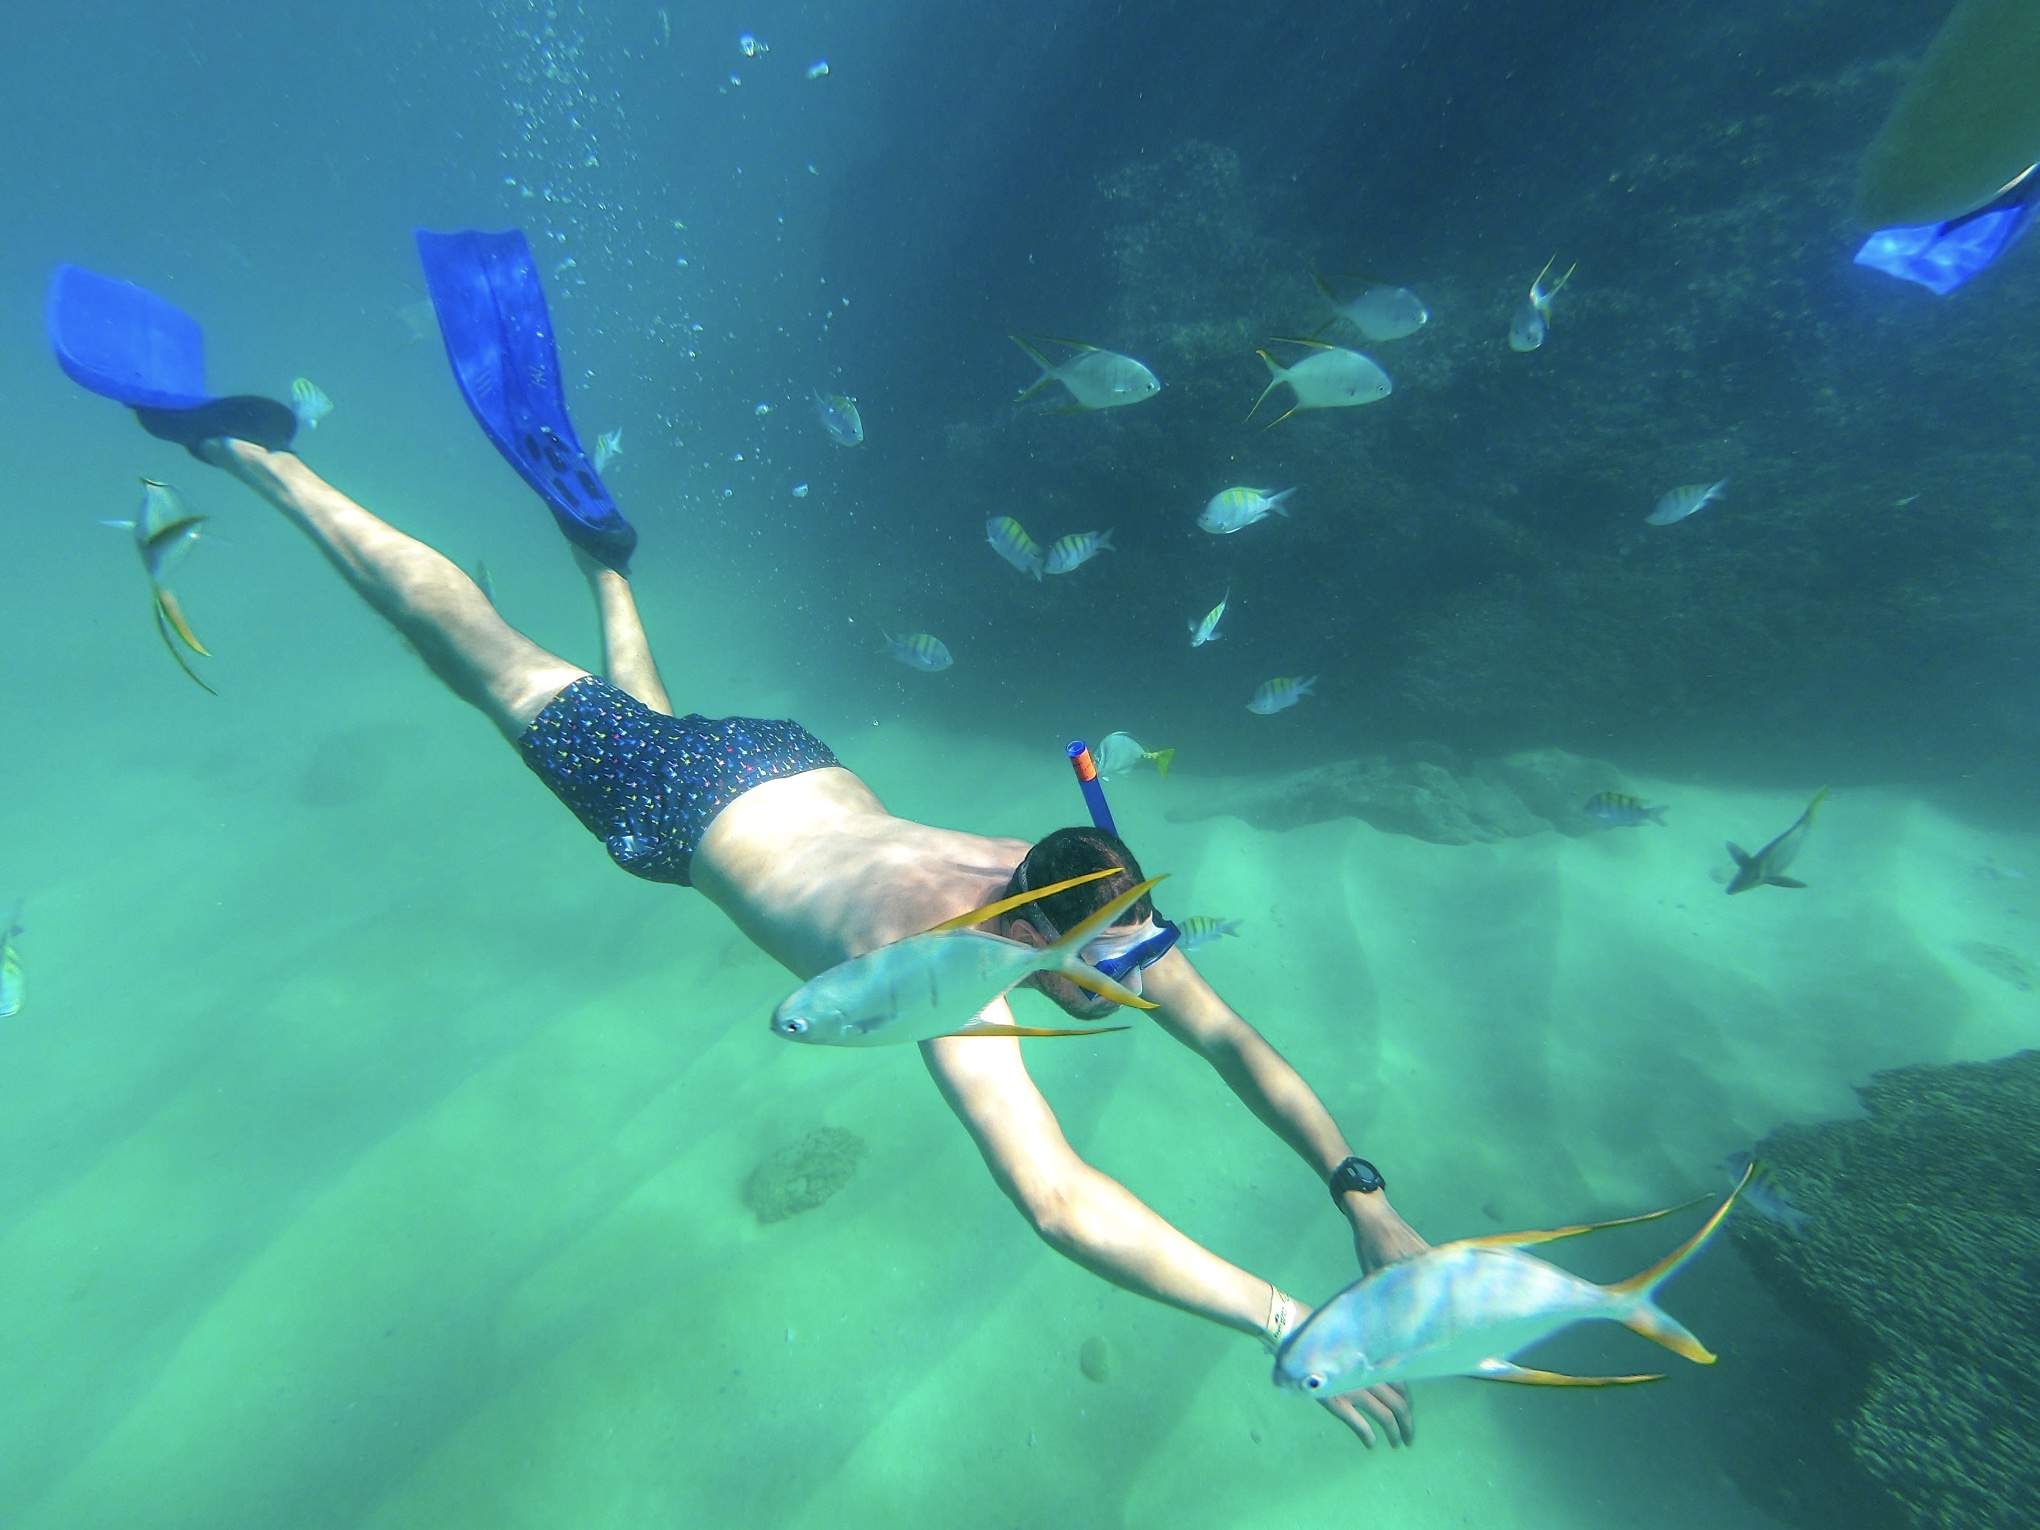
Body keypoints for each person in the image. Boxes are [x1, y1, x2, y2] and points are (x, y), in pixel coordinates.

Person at [196, 434, 1429, 1447]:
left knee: (643, 725)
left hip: (777, 762)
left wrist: (1356, 1191)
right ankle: (266, 459)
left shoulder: (1097, 891)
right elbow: (1057, 1202)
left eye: (1131, 957)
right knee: (480, 661)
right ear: (1026, 931)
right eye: (1108, 965)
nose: (1133, 980)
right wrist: (1283, 1318)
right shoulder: (939, 970)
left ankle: (607, 564)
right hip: (682, 802)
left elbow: (1231, 1041)